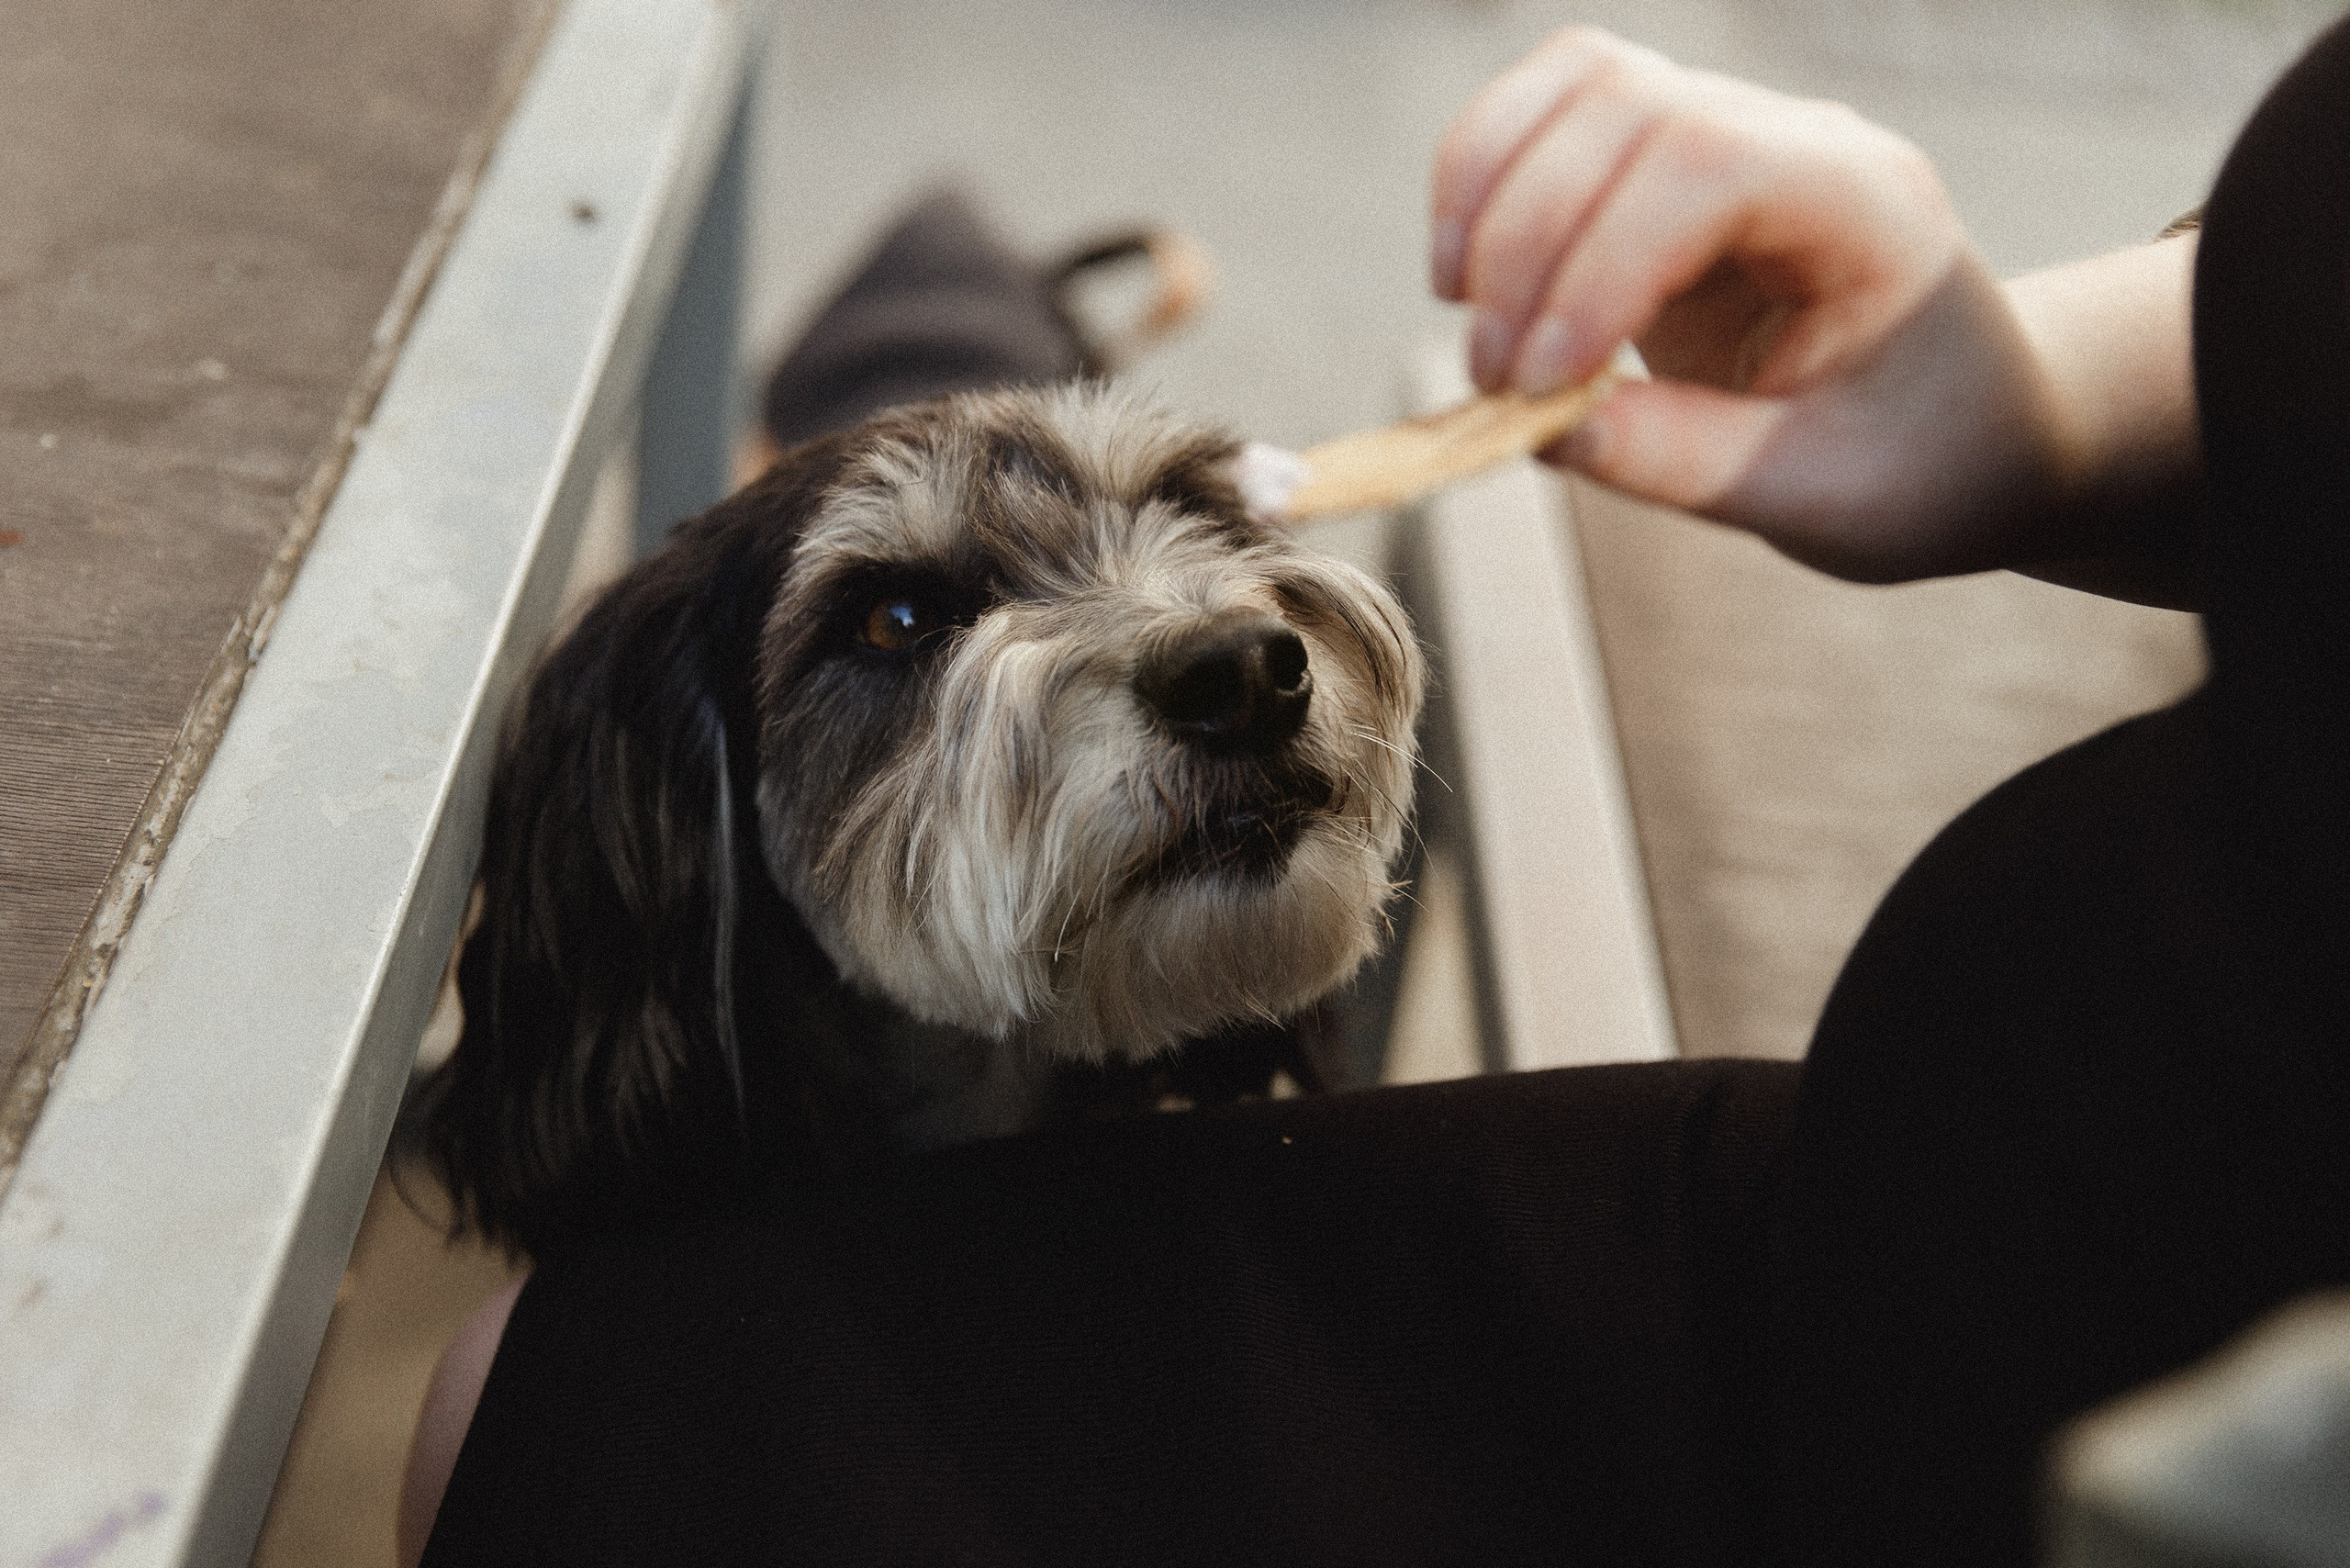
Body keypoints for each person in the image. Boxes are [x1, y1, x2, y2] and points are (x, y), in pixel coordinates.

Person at [409, 21, 2350, 1567]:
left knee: (546, 1404)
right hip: (1924, 1217)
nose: (1228, 642)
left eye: (1193, 519)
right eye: (905, 616)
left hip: (2068, 1357)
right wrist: (2038, 398)